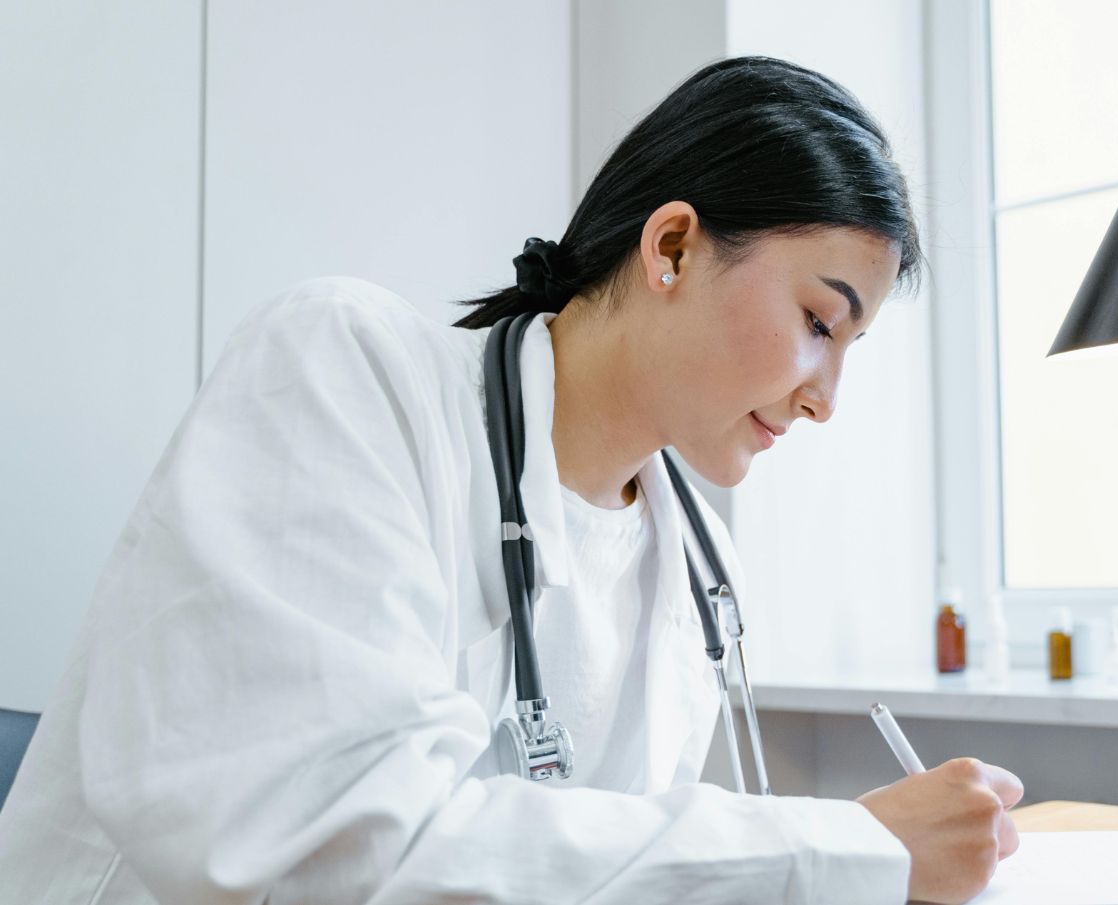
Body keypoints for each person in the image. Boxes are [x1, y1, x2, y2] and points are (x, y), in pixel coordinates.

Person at [0, 56, 1022, 904]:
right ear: (670, 245)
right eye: (817, 322)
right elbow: (338, 852)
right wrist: (842, 848)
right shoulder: (347, 373)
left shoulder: (695, 569)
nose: (824, 398)